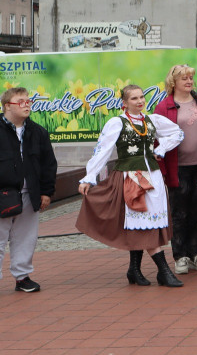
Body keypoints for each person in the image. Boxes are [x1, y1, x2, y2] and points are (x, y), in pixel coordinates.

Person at [77, 85, 185, 287]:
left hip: (152, 176)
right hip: (129, 178)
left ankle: (134, 270)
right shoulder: (117, 123)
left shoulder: (152, 120)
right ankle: (163, 271)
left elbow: (177, 133)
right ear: (124, 103)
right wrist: (89, 177)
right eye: (134, 98)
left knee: (145, 222)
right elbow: (102, 150)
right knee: (141, 221)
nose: (140, 101)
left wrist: (160, 149)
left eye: (142, 97)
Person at [155, 64, 197, 276]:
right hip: (177, 167)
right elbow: (158, 142)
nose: (189, 82)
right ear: (173, 82)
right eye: (184, 79)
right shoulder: (164, 107)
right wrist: (161, 172)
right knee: (179, 213)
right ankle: (180, 256)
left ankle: (195, 252)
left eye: (191, 78)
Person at [0, 87, 57, 293]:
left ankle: (22, 277)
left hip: (29, 194)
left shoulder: (38, 131)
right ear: (7, 106)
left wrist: (46, 192)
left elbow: (49, 164)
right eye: (21, 101)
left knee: (26, 237)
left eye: (28, 101)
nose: (26, 105)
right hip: (3, 194)